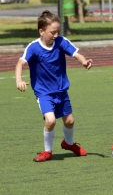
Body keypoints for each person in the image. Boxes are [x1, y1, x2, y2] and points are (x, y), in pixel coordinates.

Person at [15, 10, 93, 162]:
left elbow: (76, 54)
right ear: (41, 31)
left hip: (61, 90)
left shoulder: (61, 41)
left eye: (57, 31)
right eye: (52, 32)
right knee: (50, 120)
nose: (56, 35)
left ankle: (68, 144)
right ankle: (47, 152)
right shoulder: (33, 47)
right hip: (43, 92)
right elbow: (20, 63)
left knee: (70, 121)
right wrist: (19, 79)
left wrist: (83, 61)